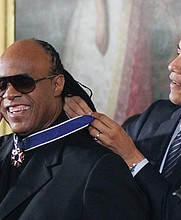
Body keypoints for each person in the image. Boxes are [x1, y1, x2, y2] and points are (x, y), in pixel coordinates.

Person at [0, 39, 149, 219]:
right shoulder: (3, 149)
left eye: (23, 82)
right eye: (2, 85)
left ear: (57, 85)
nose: (9, 94)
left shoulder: (98, 168)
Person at [64, 27, 181, 220]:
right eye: (178, 52)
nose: (173, 65)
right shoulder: (156, 115)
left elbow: (179, 214)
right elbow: (101, 158)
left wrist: (132, 157)